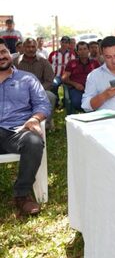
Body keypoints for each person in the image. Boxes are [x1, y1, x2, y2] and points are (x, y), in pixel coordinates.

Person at [0, 38, 50, 216]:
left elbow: (43, 104)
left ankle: (21, 195)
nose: (2, 57)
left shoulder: (27, 79)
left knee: (34, 142)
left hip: (18, 131)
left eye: (4, 52)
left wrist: (35, 119)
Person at [15, 38, 57, 130]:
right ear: (23, 47)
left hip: (40, 90)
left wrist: (37, 90)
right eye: (28, 47)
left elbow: (49, 81)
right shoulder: (15, 62)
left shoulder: (44, 62)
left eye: (33, 47)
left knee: (51, 97)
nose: (30, 49)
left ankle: (46, 125)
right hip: (19, 91)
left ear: (36, 47)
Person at [62, 41, 101, 112]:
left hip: (92, 89)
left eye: (85, 49)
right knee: (77, 102)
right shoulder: (72, 63)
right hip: (77, 89)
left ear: (88, 50)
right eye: (80, 49)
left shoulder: (94, 63)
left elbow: (101, 77)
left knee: (98, 101)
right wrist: (75, 84)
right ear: (77, 52)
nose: (83, 51)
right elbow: (64, 78)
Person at [48, 36, 76, 104]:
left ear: (68, 44)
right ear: (60, 43)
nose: (64, 44)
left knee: (68, 88)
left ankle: (65, 102)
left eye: (66, 43)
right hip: (56, 76)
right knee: (53, 85)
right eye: (63, 42)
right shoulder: (53, 53)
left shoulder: (72, 54)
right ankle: (56, 101)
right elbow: (48, 65)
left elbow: (74, 66)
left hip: (67, 77)